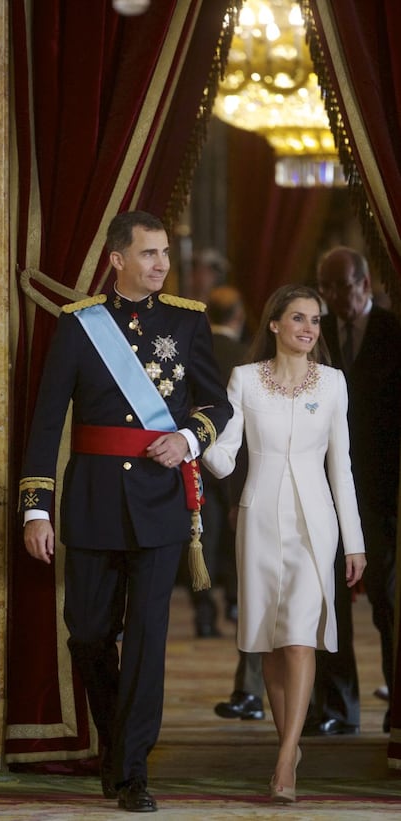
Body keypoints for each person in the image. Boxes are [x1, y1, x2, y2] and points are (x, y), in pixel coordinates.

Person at [19, 210, 233, 814]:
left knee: (147, 639)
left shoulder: (188, 322)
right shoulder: (79, 324)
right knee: (87, 633)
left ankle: (133, 770)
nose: (161, 263)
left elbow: (217, 405)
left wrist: (189, 440)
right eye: (149, 253)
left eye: (164, 252)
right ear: (117, 259)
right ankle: (117, 742)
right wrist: (37, 510)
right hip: (90, 502)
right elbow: (46, 422)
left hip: (162, 506)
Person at [202, 284, 366, 803]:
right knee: (270, 643)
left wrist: (355, 543)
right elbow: (225, 454)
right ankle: (287, 743)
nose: (308, 329)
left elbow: (341, 468)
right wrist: (190, 439)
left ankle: (284, 758)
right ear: (273, 323)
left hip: (316, 526)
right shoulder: (245, 380)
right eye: (298, 318)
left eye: (315, 321)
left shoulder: (335, 383)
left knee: (299, 638)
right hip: (259, 522)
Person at [303, 246, 401, 737]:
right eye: (326, 287)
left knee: (387, 602)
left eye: (342, 285)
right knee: (328, 601)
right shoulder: (313, 337)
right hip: (325, 492)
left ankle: (396, 704)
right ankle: (338, 707)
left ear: (365, 283)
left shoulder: (391, 333)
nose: (335, 296)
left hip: (381, 496)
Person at [189, 285, 248, 637]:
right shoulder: (249, 356)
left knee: (202, 537)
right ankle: (238, 603)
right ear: (239, 316)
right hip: (241, 461)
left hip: (199, 455)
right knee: (237, 533)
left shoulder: (197, 351)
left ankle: (205, 614)